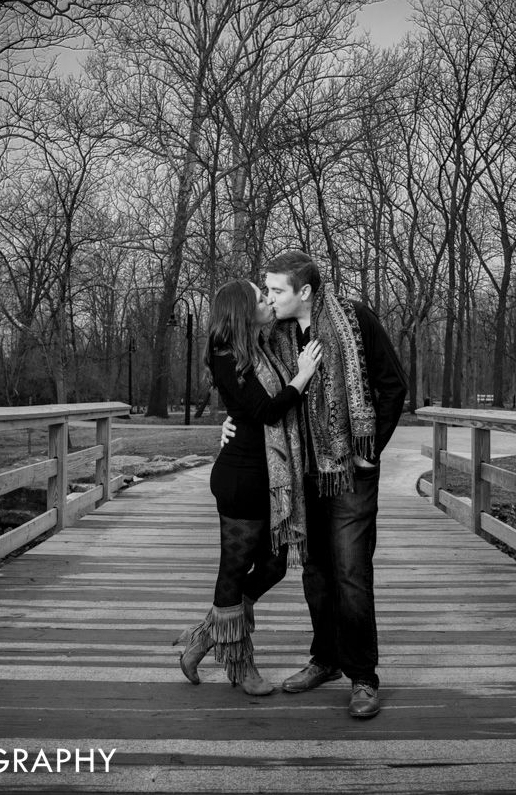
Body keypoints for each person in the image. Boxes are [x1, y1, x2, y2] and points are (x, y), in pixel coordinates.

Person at [225, 251, 407, 719]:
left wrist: (372, 450)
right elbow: (249, 389)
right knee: (316, 574)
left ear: (304, 292)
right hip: (302, 473)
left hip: (350, 471)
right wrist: (229, 423)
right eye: (267, 290)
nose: (268, 298)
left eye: (277, 290)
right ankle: (325, 660)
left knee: (350, 571)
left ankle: (363, 677)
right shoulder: (273, 334)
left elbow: (393, 385)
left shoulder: (354, 318)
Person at [173, 280, 323, 695]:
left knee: (274, 565)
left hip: (268, 477)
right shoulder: (227, 357)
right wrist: (304, 375)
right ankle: (241, 666)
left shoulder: (260, 348)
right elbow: (264, 410)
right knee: (233, 571)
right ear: (242, 311)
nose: (267, 301)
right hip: (241, 478)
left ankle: (206, 636)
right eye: (260, 298)